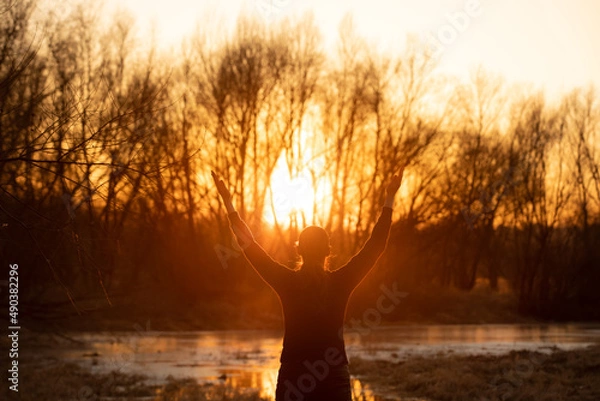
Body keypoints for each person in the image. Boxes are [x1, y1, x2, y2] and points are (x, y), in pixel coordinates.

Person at [211, 169, 403, 401]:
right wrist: (389, 198)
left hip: (295, 375)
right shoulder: (341, 281)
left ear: (299, 250)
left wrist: (229, 202)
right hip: (333, 375)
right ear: (328, 252)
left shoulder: (286, 282)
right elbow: (376, 245)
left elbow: (249, 246)